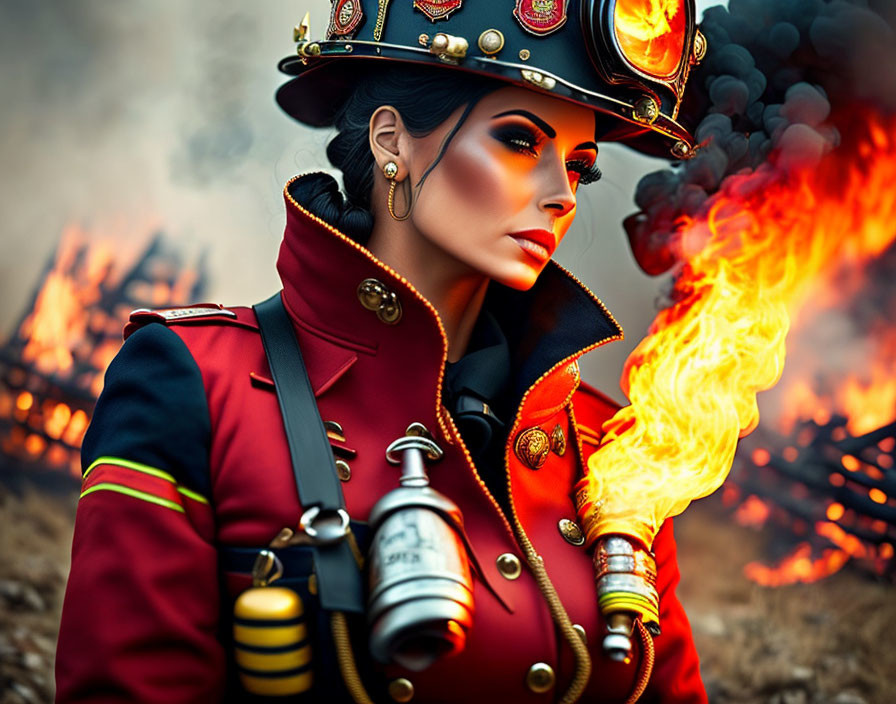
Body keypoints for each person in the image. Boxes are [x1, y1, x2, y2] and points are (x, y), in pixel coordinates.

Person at [56, 1, 708, 702]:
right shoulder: (192, 382)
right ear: (392, 141)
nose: (560, 195)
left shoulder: (614, 448)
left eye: (581, 167)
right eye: (521, 142)